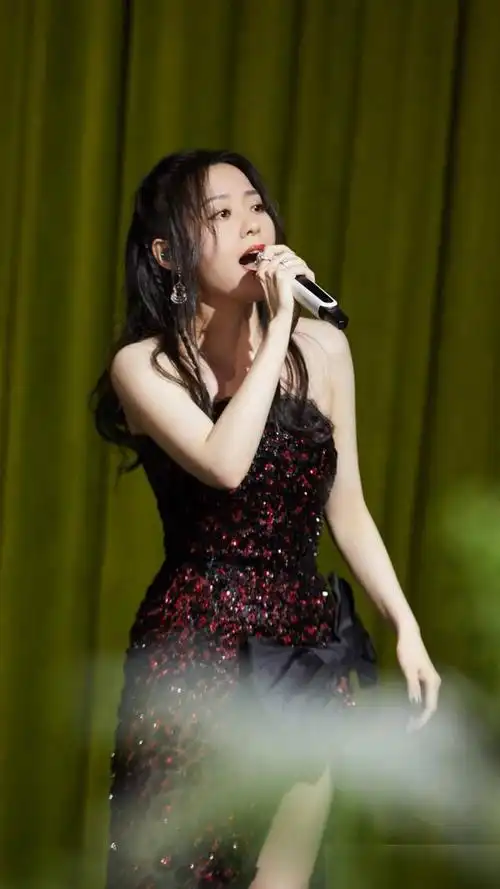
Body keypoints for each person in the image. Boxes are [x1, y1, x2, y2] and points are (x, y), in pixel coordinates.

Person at [92, 149, 441, 889]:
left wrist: (404, 624)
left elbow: (348, 510)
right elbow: (225, 463)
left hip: (305, 650)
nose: (253, 223)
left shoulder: (326, 351)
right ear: (168, 253)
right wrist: (279, 324)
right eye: (221, 214)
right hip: (195, 650)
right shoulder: (146, 365)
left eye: (256, 205)